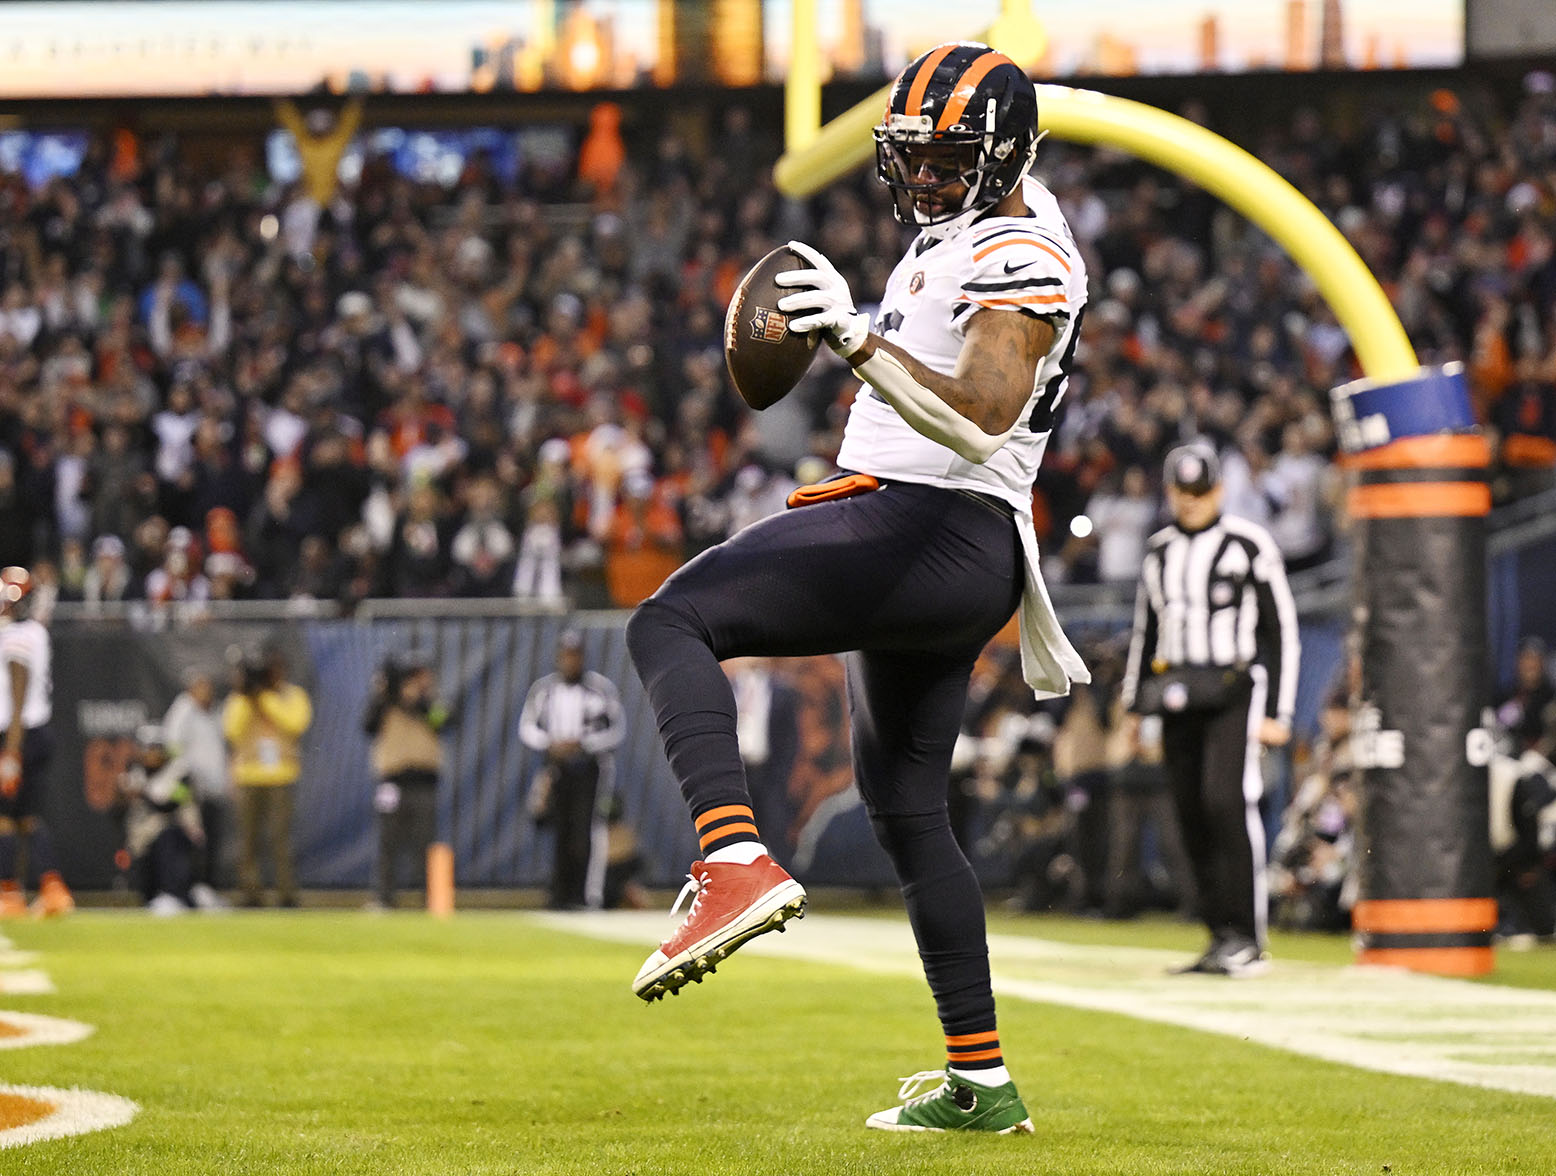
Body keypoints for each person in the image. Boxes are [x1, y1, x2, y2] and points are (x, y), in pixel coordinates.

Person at [625, 43, 1089, 1134]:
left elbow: (978, 413)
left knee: (670, 619)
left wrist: (852, 338)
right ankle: (979, 1081)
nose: (925, 178)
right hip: (943, 543)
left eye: (949, 157)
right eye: (914, 157)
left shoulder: (1022, 250)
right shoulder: (975, 231)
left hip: (923, 523)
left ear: (1010, 154)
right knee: (909, 813)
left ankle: (731, 858)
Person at [1120, 444, 1301, 976]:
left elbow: (1281, 630)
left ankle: (1247, 936)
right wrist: (1135, 707)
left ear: (1219, 491)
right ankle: (1218, 933)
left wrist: (1281, 713)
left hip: (1232, 688)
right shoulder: (1158, 551)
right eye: (1183, 492)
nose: (1193, 502)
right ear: (1171, 492)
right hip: (1175, 692)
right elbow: (1144, 632)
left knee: (1226, 803)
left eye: (1202, 492)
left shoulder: (1248, 544)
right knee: (1190, 814)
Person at [519, 629, 625, 910]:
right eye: (566, 656)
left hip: (590, 768)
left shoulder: (600, 688)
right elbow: (527, 727)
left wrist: (583, 744)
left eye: (575, 656)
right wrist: (550, 743)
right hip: (556, 767)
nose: (570, 662)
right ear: (558, 658)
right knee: (558, 828)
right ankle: (559, 894)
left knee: (586, 830)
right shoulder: (544, 690)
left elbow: (616, 729)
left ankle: (585, 895)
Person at [0, 566, 74, 918]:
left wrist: (11, 752)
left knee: (5, 818)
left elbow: (18, 690)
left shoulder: (16, 635)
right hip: (37, 731)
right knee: (30, 818)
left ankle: (9, 893)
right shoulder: (36, 632)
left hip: (18, 734)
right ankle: (53, 887)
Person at [222, 642, 313, 907]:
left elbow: (295, 724)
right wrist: (249, 697)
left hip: (281, 776)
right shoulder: (240, 699)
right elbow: (233, 731)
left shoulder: (292, 695)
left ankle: (286, 893)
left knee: (280, 840)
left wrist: (265, 697)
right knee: (248, 841)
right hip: (249, 776)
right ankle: (251, 893)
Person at [362, 652, 455, 909]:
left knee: (425, 842)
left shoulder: (433, 701)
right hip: (391, 780)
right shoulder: (384, 703)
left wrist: (419, 701)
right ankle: (384, 897)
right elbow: (368, 726)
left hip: (424, 781)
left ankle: (431, 898)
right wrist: (385, 696)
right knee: (387, 840)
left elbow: (443, 721)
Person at [163, 669, 232, 907]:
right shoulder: (182, 710)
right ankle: (186, 892)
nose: (206, 690)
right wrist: (186, 781)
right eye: (200, 685)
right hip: (191, 793)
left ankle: (206, 890)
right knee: (192, 841)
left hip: (214, 790)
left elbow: (222, 750)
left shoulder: (216, 711)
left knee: (211, 842)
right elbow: (172, 747)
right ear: (191, 688)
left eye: (208, 685)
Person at [120, 724, 204, 914]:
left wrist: (142, 794)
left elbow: (170, 806)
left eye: (156, 749)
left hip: (182, 837)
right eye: (148, 749)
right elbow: (117, 811)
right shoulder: (134, 773)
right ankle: (160, 897)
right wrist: (123, 796)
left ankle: (177, 895)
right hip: (144, 844)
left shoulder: (181, 773)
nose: (152, 754)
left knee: (167, 835)